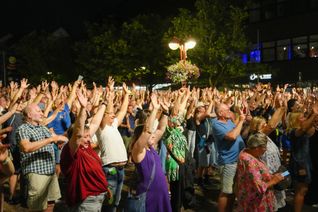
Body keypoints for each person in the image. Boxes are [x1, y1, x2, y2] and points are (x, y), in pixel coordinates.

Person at [60, 91, 111, 211]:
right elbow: (78, 133)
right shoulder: (72, 150)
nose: (89, 139)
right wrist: (83, 109)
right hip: (86, 201)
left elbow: (95, 123)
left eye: (89, 136)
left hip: (98, 196)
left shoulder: (86, 147)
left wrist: (104, 103)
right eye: (86, 136)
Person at [16, 103, 68, 211]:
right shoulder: (23, 129)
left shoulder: (42, 127)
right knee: (37, 207)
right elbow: (26, 147)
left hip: (50, 172)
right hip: (36, 173)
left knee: (50, 203)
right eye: (39, 111)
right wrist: (50, 140)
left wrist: (61, 139)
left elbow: (55, 138)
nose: (42, 113)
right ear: (29, 115)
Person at [130, 93, 171, 212]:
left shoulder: (150, 146)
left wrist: (166, 112)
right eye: (151, 136)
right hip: (149, 196)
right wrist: (155, 109)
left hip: (161, 194)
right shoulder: (138, 150)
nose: (154, 137)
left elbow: (161, 129)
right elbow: (148, 131)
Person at [96, 77, 130, 211]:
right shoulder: (101, 127)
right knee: (108, 201)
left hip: (121, 169)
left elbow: (122, 111)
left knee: (116, 200)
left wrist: (126, 95)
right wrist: (109, 95)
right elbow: (108, 110)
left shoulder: (114, 125)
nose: (113, 115)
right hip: (110, 169)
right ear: (103, 116)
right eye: (109, 114)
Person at [236, 133, 285, 211]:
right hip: (255, 201)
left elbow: (257, 175)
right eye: (264, 147)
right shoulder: (249, 161)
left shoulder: (247, 152)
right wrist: (274, 181)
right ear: (256, 148)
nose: (266, 149)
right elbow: (258, 186)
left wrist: (271, 176)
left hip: (251, 198)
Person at [211, 103, 245, 212]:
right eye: (227, 109)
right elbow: (232, 136)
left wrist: (242, 119)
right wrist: (241, 121)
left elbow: (238, 132)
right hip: (228, 162)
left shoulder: (229, 121)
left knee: (233, 191)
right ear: (220, 113)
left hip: (237, 160)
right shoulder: (216, 124)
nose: (230, 111)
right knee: (226, 192)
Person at [286, 104, 318, 212]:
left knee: (302, 190)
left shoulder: (299, 130)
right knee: (301, 191)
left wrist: (313, 112)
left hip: (304, 163)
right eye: (302, 117)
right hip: (300, 166)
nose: (304, 118)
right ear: (295, 120)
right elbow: (304, 127)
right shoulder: (294, 131)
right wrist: (314, 114)